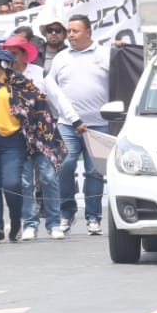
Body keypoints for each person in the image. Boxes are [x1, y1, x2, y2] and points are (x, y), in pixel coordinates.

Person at [0, 39, 67, 244]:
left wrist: (37, 133)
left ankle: (15, 220)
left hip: (13, 142)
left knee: (13, 183)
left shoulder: (18, 82)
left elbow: (39, 105)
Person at [45, 13, 111, 236]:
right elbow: (50, 87)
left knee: (94, 172)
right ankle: (67, 212)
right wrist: (71, 117)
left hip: (99, 125)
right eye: (69, 31)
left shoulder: (105, 54)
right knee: (64, 166)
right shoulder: (61, 58)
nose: (70, 35)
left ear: (88, 32)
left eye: (75, 31)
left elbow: (120, 80)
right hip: (67, 125)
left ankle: (93, 217)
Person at [2, 35, 60, 240]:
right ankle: (30, 224)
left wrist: (74, 121)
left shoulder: (39, 73)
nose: (9, 56)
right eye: (7, 52)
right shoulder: (2, 76)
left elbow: (57, 99)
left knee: (48, 177)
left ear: (25, 54)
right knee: (24, 182)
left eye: (14, 52)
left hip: (42, 135)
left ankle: (54, 222)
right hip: (16, 137)